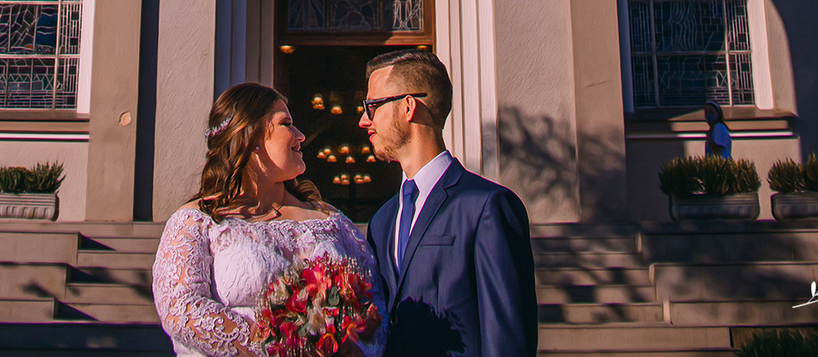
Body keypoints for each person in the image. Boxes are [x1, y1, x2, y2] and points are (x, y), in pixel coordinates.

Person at [152, 82, 386, 357]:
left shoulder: (332, 221)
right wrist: (281, 346)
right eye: (286, 123)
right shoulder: (197, 223)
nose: (300, 136)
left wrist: (355, 340)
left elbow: (376, 301)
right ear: (251, 137)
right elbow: (181, 310)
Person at [361, 50, 537, 357]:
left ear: (408, 106)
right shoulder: (381, 221)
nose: (364, 120)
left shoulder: (486, 207)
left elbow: (507, 340)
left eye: (372, 106)